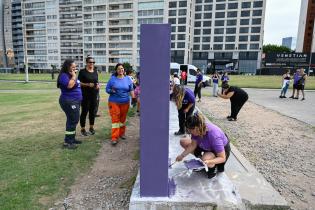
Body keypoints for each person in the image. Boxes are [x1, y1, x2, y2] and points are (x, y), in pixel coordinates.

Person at [175, 112, 230, 179]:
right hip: (207, 146)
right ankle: (202, 162)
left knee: (206, 158)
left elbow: (222, 158)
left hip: (219, 151)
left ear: (197, 128)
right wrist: (182, 156)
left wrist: (209, 161)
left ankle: (213, 168)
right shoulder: (197, 130)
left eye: (190, 130)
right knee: (184, 142)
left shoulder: (214, 136)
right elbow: (193, 145)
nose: (189, 131)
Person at [106, 63, 135, 145]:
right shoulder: (112, 79)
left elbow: (131, 89)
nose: (120, 70)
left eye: (122, 68)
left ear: (124, 70)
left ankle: (121, 133)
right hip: (114, 102)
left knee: (122, 119)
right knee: (115, 119)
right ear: (116, 70)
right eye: (119, 69)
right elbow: (107, 89)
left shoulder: (128, 79)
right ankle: (114, 137)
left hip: (125, 102)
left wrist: (133, 98)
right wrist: (111, 91)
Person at [57, 59, 82, 149]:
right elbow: (70, 85)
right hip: (69, 101)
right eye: (73, 67)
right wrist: (74, 76)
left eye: (75, 67)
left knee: (72, 120)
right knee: (73, 120)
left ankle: (71, 138)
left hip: (75, 101)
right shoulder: (64, 76)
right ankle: (68, 142)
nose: (75, 69)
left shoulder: (71, 75)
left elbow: (77, 85)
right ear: (67, 67)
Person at [78, 56, 99, 136]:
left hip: (94, 95)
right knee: (84, 112)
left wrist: (98, 85)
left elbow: (96, 81)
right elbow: (78, 83)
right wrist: (87, 84)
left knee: (92, 112)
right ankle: (83, 129)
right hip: (85, 95)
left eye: (93, 62)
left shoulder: (95, 71)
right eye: (90, 62)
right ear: (86, 63)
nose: (92, 64)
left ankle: (91, 127)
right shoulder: (82, 72)